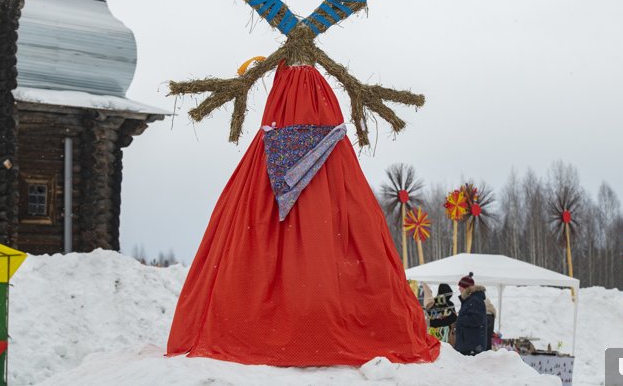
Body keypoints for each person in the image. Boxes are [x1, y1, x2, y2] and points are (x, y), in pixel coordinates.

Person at [166, 63, 440, 365]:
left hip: (245, 322)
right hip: (330, 191)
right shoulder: (339, 167)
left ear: (279, 98)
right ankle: (327, 333)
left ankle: (257, 331)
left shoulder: (260, 169)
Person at [454, 272, 489, 356]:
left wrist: (460, 319)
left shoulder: (474, 300)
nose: (459, 288)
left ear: (466, 288)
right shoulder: (470, 300)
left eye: (460, 286)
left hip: (471, 346)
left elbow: (476, 319)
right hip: (468, 344)